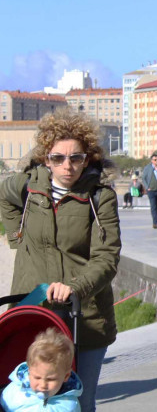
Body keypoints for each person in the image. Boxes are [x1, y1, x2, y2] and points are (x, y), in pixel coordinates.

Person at [0, 108, 120, 412]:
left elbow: (106, 257)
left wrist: (75, 288)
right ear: (45, 158)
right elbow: (3, 196)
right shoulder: (28, 186)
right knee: (26, 399)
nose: (67, 166)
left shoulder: (99, 196)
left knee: (79, 402)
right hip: (33, 310)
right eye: (58, 158)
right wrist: (18, 238)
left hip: (85, 316)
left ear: (87, 157)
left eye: (76, 158)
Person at [1, 328, 82, 412]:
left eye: (50, 379)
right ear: (29, 372)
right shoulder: (13, 393)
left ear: (66, 376)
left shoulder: (70, 405)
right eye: (37, 377)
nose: (43, 385)